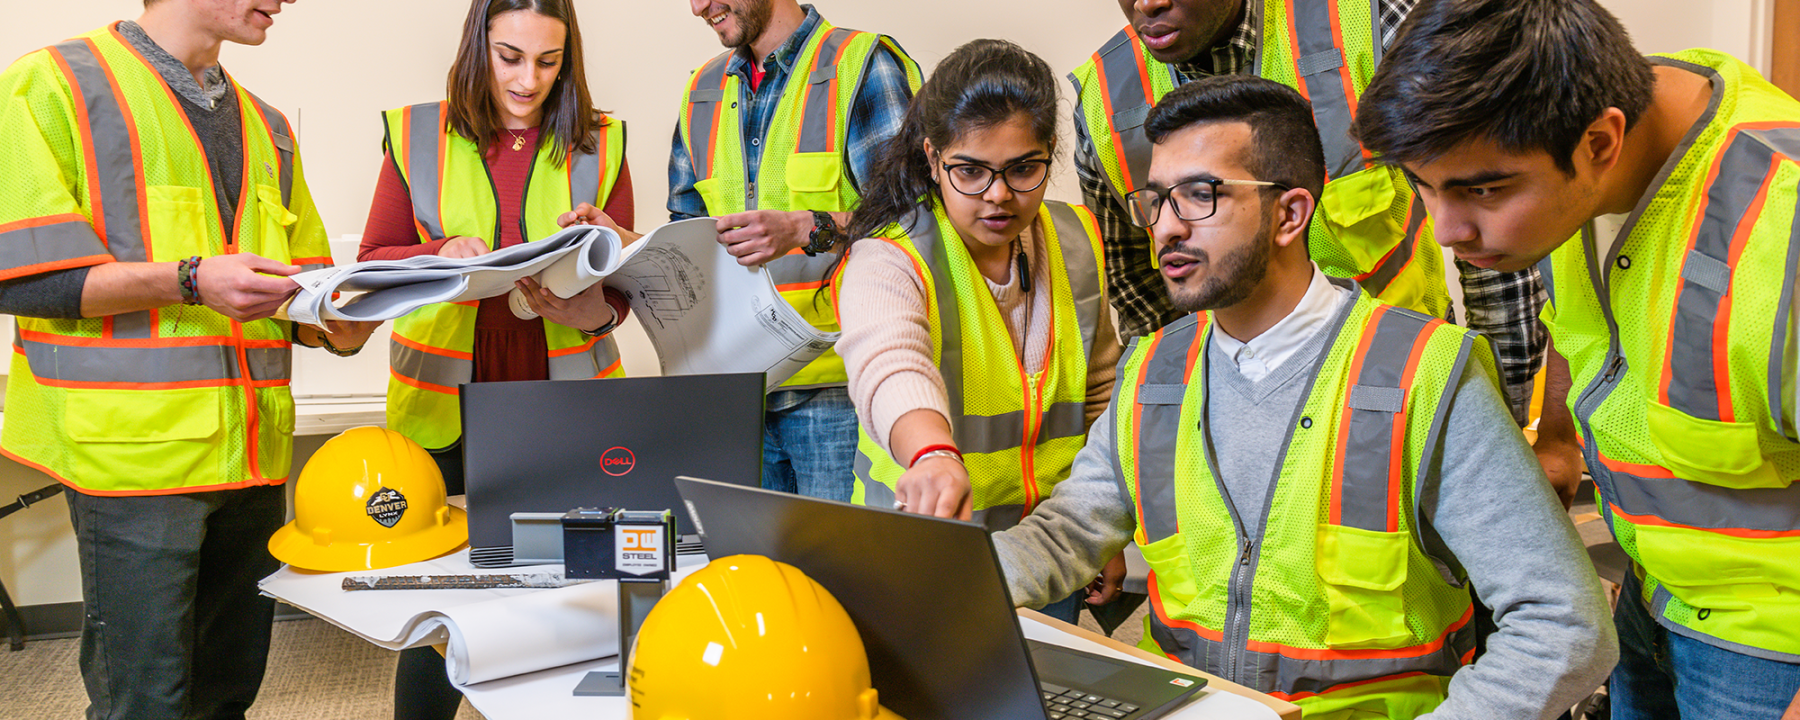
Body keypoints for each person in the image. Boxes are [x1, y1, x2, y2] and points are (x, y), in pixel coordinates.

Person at [993, 75, 1616, 718]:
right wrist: (932, 588)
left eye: (1200, 196)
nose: (1167, 228)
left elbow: (1564, 625)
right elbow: (1064, 535)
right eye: (1156, 201)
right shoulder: (1153, 371)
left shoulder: (1422, 375)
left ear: (1289, 214)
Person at [1352, 0, 1800, 716]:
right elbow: (1584, 327)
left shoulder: (1783, 223)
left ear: (1600, 142)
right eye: (1424, 186)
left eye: (1482, 189)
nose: (1445, 230)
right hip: (1648, 596)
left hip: (1773, 646)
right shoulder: (1575, 161)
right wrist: (1558, 438)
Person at [0, 1, 380, 718]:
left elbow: (299, 293)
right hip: (131, 464)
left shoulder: (269, 125)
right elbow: (21, 275)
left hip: (252, 456)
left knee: (227, 693)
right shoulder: (51, 85)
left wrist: (342, 320)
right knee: (146, 702)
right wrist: (190, 279)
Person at [1069, 0, 1570, 483]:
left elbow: (1491, 243)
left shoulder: (1369, 24)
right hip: (1233, 431)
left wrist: (1494, 429)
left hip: (1408, 396)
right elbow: (1143, 301)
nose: (1147, 3)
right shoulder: (1106, 99)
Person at [355, 1, 633, 717]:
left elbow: (626, 286)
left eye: (549, 62)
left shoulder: (602, 141)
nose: (528, 80)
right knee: (440, 599)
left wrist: (593, 303)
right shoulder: (419, 132)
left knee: (574, 598)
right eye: (510, 57)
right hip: (444, 401)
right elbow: (372, 262)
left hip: (564, 399)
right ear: (478, 46)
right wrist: (436, 254)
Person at [835, 39, 1122, 624]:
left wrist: (1102, 537)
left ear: (1050, 156)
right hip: (922, 558)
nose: (998, 194)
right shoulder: (889, 258)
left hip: (1046, 559)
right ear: (933, 159)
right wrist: (933, 455)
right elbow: (890, 365)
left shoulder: (1076, 238)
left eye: (1023, 169)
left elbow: (1100, 396)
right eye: (970, 171)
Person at [672, 0, 920, 502]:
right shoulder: (702, 89)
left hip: (838, 392)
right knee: (751, 573)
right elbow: (687, 234)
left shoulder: (863, 66)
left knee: (835, 576)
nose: (698, 7)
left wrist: (806, 227)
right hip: (735, 395)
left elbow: (916, 223)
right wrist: (623, 243)